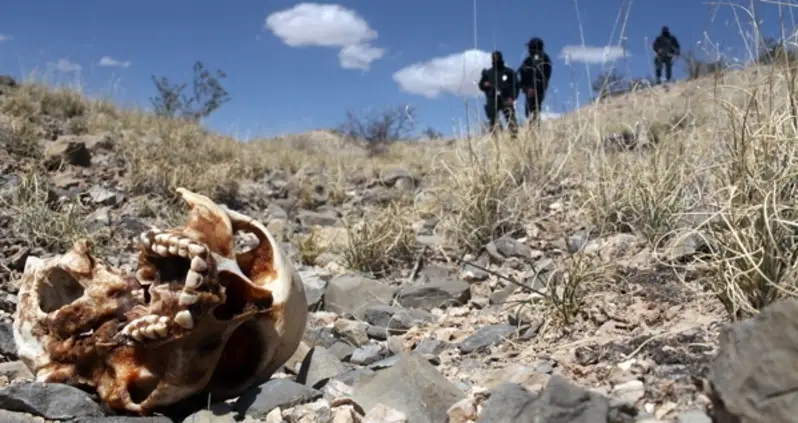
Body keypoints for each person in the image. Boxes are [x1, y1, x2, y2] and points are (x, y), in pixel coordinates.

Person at [478, 51, 519, 137]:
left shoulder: (509, 72)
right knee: (493, 122)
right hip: (492, 99)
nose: (496, 59)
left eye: (497, 58)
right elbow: (481, 85)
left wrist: (512, 97)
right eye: (494, 58)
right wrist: (485, 85)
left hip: (506, 98)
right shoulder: (487, 73)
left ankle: (514, 138)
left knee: (511, 119)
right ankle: (495, 140)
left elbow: (516, 85)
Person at [517, 37, 553, 125]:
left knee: (533, 111)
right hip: (530, 89)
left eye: (530, 47)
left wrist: (533, 87)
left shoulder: (540, 58)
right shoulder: (530, 59)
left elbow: (539, 74)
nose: (528, 49)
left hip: (535, 89)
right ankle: (534, 131)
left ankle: (535, 132)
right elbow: (522, 72)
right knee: (530, 112)